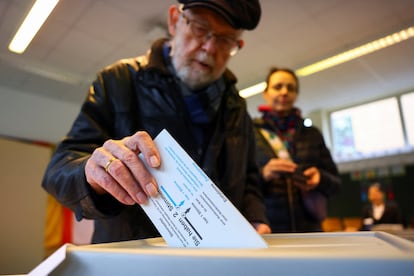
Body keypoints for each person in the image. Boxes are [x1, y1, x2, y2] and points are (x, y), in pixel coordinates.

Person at [42, 0, 271, 244]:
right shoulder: (118, 80)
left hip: (216, 255)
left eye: (225, 40)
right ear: (174, 20)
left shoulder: (236, 103)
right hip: (135, 259)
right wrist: (92, 172)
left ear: (238, 45)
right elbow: (58, 170)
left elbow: (249, 176)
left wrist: (255, 217)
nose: (209, 47)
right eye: (200, 29)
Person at [253, 67, 341, 233]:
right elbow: (237, 184)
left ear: (296, 95)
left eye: (291, 88)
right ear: (265, 93)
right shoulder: (250, 132)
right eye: (278, 87)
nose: (285, 92)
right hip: (268, 230)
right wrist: (263, 174)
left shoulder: (312, 134)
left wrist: (320, 178)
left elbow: (336, 183)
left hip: (310, 231)